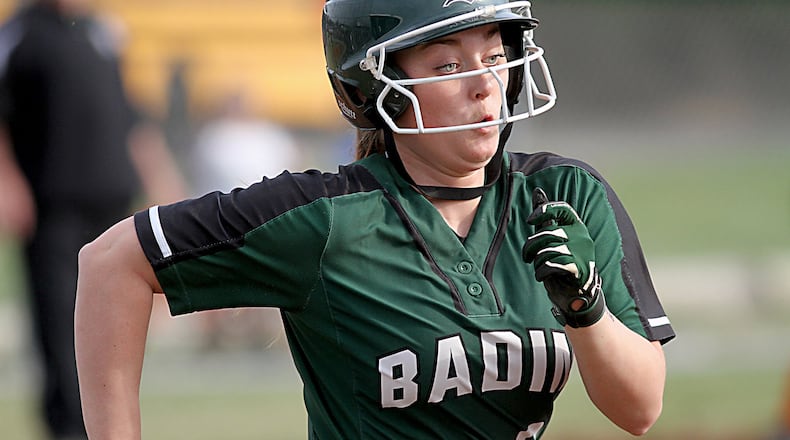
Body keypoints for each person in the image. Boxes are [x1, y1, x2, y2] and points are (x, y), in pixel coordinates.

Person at [75, 1, 675, 438]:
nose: (485, 86)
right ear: (375, 90)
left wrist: (585, 308)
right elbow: (111, 263)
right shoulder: (328, 217)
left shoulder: (563, 193)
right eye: (446, 66)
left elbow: (639, 409)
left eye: (494, 56)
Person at [0, 0, 185, 438]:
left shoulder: (103, 32)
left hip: (112, 206)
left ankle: (109, 424)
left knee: (113, 322)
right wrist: (7, 182)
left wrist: (161, 181)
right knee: (60, 318)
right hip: (55, 206)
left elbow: (131, 118)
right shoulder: (21, 33)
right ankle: (67, 426)